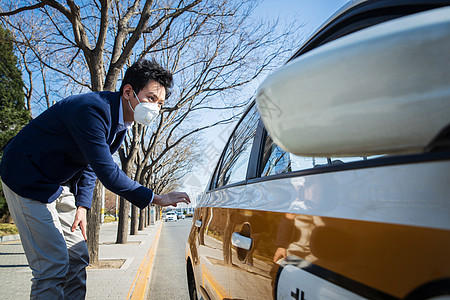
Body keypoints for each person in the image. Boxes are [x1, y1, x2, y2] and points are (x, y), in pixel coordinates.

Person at [0, 59, 190, 299]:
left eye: (161, 103)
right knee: (53, 264)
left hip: (57, 184)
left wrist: (82, 206)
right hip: (25, 177)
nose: (156, 108)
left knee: (78, 255)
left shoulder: (121, 123)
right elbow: (108, 173)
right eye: (151, 98)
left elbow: (90, 166)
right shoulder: (93, 110)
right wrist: (156, 198)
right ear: (128, 91)